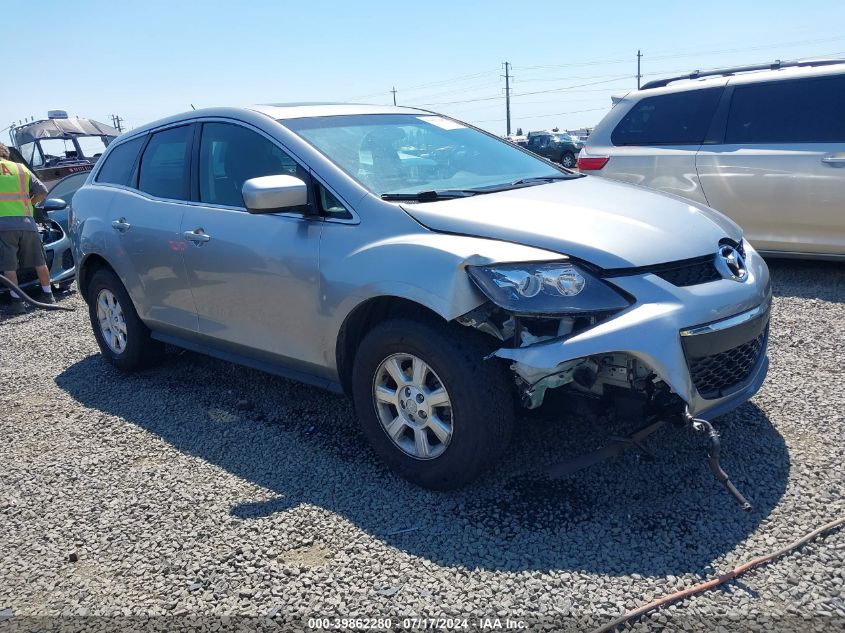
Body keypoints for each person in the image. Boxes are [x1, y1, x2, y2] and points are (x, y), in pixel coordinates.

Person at [0, 142, 52, 314]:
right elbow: (43, 191)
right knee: (39, 261)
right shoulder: (20, 168)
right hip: (27, 223)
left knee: (10, 266)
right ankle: (48, 295)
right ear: (6, 154)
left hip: (3, 226)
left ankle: (17, 303)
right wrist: (29, 204)